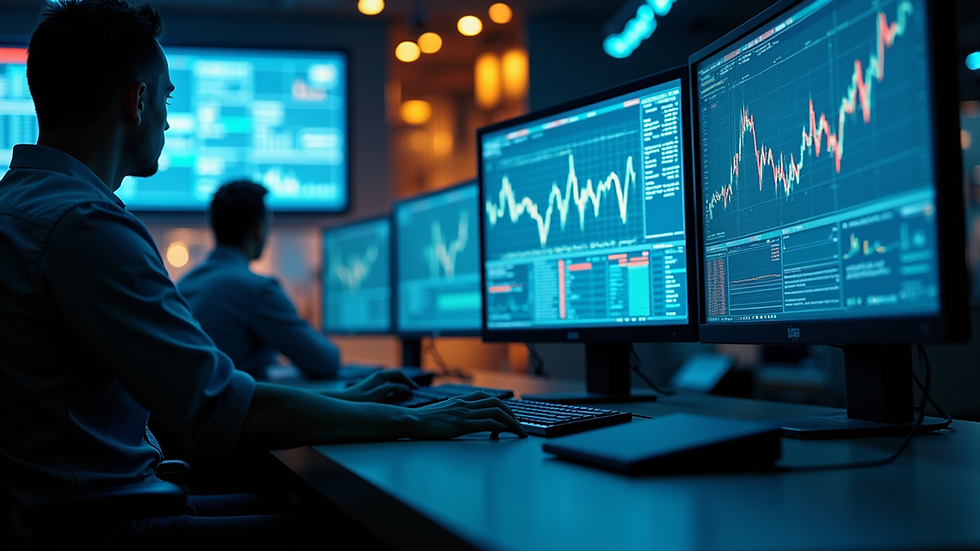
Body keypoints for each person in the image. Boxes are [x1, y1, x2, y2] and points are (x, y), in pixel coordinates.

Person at [0, 0, 525, 547]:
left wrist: (354, 399)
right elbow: (218, 408)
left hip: (70, 510)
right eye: (167, 98)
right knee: (367, 532)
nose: (170, 119)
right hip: (104, 525)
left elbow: (198, 393)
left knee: (311, 503)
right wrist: (420, 420)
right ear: (136, 101)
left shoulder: (21, 207)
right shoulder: (86, 224)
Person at [177, 179, 340, 380]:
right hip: (231, 410)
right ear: (258, 231)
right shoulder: (257, 289)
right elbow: (326, 362)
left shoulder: (184, 284)